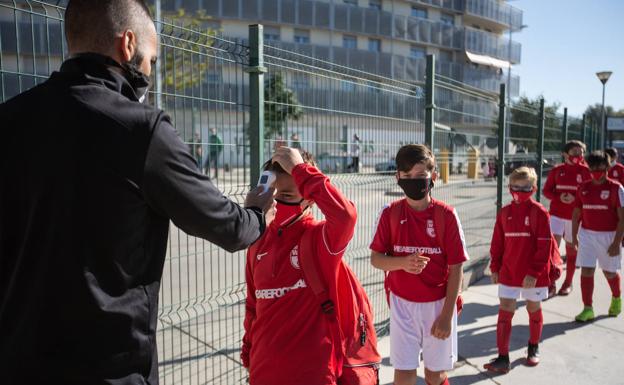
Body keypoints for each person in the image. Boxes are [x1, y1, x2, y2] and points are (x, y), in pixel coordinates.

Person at [0, 1, 274, 384]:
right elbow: (227, 227)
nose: (150, 72)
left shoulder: (11, 119)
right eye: (153, 61)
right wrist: (257, 210)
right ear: (128, 44)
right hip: (110, 367)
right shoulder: (141, 130)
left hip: (17, 363)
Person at [241, 148, 379, 384]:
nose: (275, 203)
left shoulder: (319, 239)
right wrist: (248, 352)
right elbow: (254, 305)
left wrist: (302, 170)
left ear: (309, 198)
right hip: (264, 371)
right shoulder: (257, 241)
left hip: (314, 373)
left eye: (286, 195)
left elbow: (345, 216)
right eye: (270, 195)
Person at [370, 144, 468, 385]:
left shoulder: (446, 215)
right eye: (407, 176)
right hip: (402, 305)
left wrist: (447, 315)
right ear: (398, 178)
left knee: (435, 374)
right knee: (403, 374)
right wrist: (402, 263)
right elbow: (376, 259)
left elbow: (457, 268)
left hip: (438, 306)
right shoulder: (389, 214)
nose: (414, 181)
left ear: (433, 177)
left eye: (421, 176)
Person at [484, 167, 552, 373]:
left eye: (525, 187)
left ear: (534, 188)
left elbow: (545, 245)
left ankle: (533, 346)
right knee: (505, 312)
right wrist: (494, 267)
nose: (520, 191)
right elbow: (497, 243)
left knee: (533, 308)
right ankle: (503, 357)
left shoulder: (539, 212)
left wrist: (533, 272)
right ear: (509, 187)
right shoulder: (504, 212)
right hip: (509, 272)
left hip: (533, 275)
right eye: (516, 187)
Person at [571, 151, 623, 322]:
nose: (596, 173)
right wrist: (574, 236)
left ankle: (616, 297)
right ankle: (588, 308)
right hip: (587, 235)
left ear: (608, 167)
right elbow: (577, 212)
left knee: (609, 272)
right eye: (592, 169)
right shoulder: (583, 187)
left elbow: (622, 217)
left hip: (609, 236)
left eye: (600, 169)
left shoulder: (616, 188)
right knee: (586, 270)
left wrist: (617, 242)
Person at [542, 140, 591, 296]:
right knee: (551, 251)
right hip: (556, 216)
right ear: (565, 154)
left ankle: (568, 283)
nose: (578, 155)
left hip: (574, 218)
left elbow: (590, 194)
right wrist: (559, 196)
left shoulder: (586, 171)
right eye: (574, 152)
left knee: (571, 251)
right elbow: (546, 191)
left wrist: (576, 198)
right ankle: (551, 283)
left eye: (581, 152)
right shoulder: (557, 170)